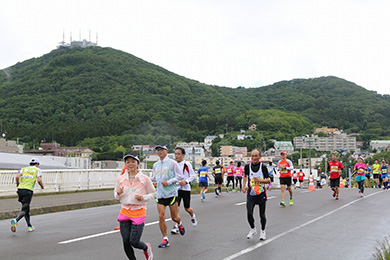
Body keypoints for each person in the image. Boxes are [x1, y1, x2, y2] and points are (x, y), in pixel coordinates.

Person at [115, 154, 156, 260]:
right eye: (128, 162)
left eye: (133, 161)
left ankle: (146, 247)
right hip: (125, 210)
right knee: (125, 241)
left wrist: (143, 197)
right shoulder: (121, 179)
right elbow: (116, 196)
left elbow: (153, 194)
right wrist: (118, 194)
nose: (130, 164)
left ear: (138, 163)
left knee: (134, 241)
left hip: (139, 211)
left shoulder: (144, 179)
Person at [151, 145, 185, 248]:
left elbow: (180, 176)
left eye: (162, 150)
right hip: (160, 195)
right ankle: (165, 238)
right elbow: (155, 178)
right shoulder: (155, 165)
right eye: (158, 150)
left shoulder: (172, 163)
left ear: (166, 151)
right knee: (161, 216)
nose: (160, 152)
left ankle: (179, 223)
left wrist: (169, 182)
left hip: (171, 194)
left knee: (174, 217)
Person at [243, 149, 271, 241]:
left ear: (260, 157)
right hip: (251, 193)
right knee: (249, 213)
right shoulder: (247, 166)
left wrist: (260, 181)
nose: (254, 158)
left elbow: (268, 180)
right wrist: (244, 186)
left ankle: (263, 231)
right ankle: (253, 229)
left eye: (256, 156)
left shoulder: (263, 167)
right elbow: (245, 176)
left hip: (261, 193)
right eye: (252, 156)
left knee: (262, 215)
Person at [11, 158, 44, 233]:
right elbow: (39, 180)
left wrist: (17, 183)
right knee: (24, 208)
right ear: (37, 164)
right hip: (28, 190)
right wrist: (42, 186)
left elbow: (17, 177)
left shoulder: (24, 169)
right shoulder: (37, 170)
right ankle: (16, 220)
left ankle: (29, 226)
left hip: (20, 189)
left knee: (26, 208)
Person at [170, 147, 198, 235]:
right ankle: (177, 225)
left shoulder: (187, 164)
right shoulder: (173, 165)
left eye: (178, 154)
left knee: (187, 208)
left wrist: (186, 181)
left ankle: (192, 216)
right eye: (175, 154)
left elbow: (193, 175)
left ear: (183, 155)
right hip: (176, 189)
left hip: (185, 189)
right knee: (176, 208)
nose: (176, 156)